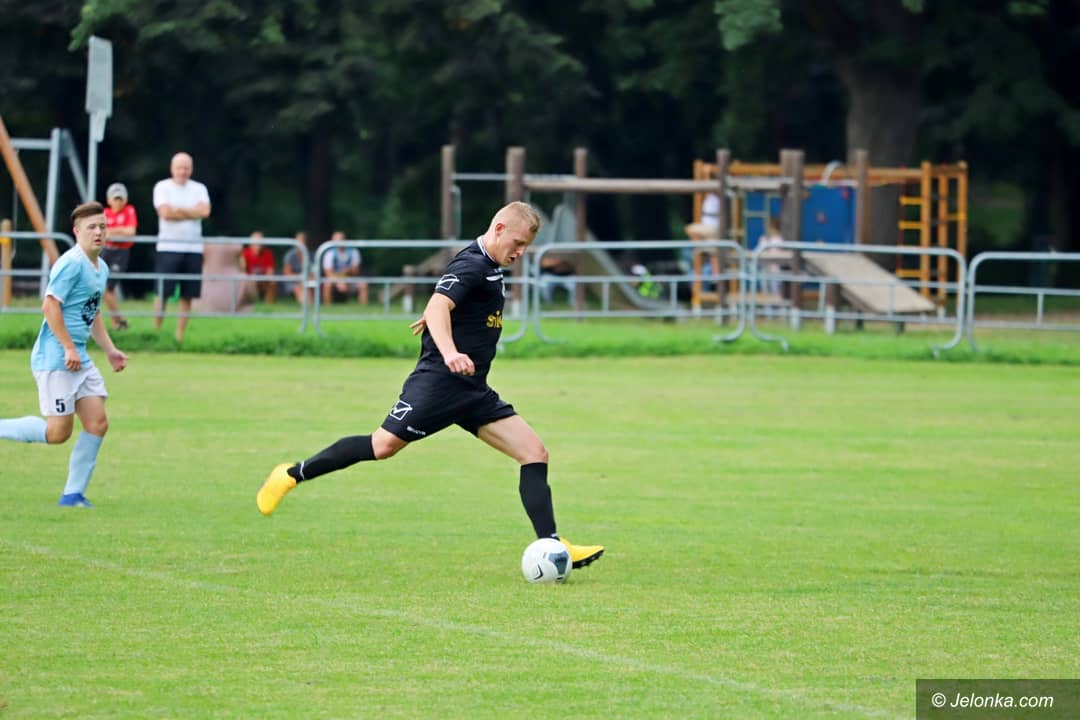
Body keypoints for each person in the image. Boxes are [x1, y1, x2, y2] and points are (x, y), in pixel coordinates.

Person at [257, 202, 604, 570]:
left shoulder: (490, 265)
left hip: (472, 389)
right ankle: (291, 474)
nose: (520, 252)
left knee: (534, 452)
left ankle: (553, 544)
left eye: (526, 247)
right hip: (439, 383)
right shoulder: (472, 264)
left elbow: (445, 306)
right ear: (499, 229)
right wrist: (449, 351)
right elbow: (439, 306)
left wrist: (444, 319)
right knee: (382, 446)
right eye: (517, 243)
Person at [0, 201, 128, 507]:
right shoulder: (70, 263)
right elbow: (50, 305)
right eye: (91, 227)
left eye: (102, 226)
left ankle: (72, 495)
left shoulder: (101, 267)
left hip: (78, 357)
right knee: (58, 433)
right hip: (56, 358)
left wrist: (110, 350)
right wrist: (69, 346)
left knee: (97, 423)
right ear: (77, 232)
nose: (98, 232)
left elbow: (92, 311)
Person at [152, 152, 211, 342]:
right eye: (179, 167)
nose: (182, 171)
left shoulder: (199, 188)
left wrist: (178, 210)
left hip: (193, 249)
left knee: (188, 294)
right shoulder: (162, 187)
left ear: (191, 169)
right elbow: (165, 213)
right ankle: (156, 334)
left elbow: (205, 211)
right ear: (172, 168)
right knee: (162, 292)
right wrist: (193, 211)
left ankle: (179, 337)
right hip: (168, 247)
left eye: (186, 168)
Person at [101, 182, 137, 330]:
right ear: (109, 200)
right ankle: (117, 323)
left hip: (121, 253)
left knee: (107, 287)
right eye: (115, 199)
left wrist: (112, 231)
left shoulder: (129, 210)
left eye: (120, 199)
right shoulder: (104, 212)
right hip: (106, 251)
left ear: (125, 199)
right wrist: (120, 230)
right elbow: (103, 233)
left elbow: (130, 232)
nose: (118, 202)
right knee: (107, 288)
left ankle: (119, 320)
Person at [321, 231, 368, 305]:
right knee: (327, 285)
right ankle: (327, 307)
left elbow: (356, 271)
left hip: (351, 278)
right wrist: (339, 280)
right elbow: (328, 273)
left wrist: (347, 274)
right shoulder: (329, 253)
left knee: (363, 284)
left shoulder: (354, 251)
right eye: (337, 239)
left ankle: (364, 308)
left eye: (341, 239)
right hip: (335, 280)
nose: (339, 242)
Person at [241, 230, 277, 304]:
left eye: (260, 242)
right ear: (251, 243)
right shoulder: (245, 253)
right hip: (249, 280)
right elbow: (242, 271)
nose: (258, 244)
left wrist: (266, 278)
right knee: (246, 282)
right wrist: (251, 279)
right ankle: (250, 302)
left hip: (263, 279)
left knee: (273, 282)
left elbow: (270, 271)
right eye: (256, 242)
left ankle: (269, 303)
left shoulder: (268, 253)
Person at [280, 232, 312, 304]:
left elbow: (312, 272)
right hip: (292, 281)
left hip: (306, 280)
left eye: (302, 241)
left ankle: (310, 306)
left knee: (308, 286)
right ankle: (305, 306)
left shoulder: (309, 255)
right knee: (298, 288)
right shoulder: (289, 255)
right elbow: (287, 273)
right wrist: (300, 277)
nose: (300, 244)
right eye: (298, 241)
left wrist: (308, 277)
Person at [757, 216, 785, 296]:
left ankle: (777, 302)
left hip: (775, 268)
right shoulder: (763, 238)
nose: (769, 230)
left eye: (772, 228)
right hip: (765, 268)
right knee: (765, 287)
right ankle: (767, 303)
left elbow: (779, 253)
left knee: (775, 288)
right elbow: (759, 251)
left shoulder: (779, 239)